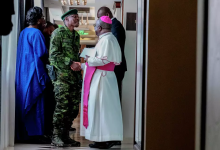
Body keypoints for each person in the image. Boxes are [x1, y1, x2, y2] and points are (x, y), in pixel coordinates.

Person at [79, 16, 123, 149]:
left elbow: (103, 60)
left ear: (99, 28)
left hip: (103, 79)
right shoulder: (106, 39)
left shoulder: (108, 40)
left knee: (103, 109)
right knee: (99, 108)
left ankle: (106, 139)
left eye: (95, 27)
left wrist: (88, 59)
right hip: (103, 77)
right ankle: (100, 138)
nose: (94, 29)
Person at [15, 7, 50, 143]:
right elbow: (41, 54)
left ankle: (25, 133)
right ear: (38, 19)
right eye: (42, 17)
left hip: (23, 73)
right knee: (37, 104)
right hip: (34, 73)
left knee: (24, 102)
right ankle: (36, 134)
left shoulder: (24, 32)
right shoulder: (36, 33)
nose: (43, 20)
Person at [49, 9, 82, 147]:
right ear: (66, 19)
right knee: (62, 107)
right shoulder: (58, 33)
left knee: (73, 108)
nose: (77, 19)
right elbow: (54, 55)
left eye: (77, 17)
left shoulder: (76, 35)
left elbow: (75, 55)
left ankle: (65, 135)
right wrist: (70, 63)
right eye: (74, 17)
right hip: (62, 78)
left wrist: (78, 63)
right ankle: (56, 136)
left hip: (74, 78)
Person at [97, 7, 127, 101]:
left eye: (100, 18)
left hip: (116, 68)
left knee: (113, 97)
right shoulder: (114, 26)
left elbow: (113, 48)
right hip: (113, 67)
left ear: (107, 15)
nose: (99, 21)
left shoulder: (115, 27)